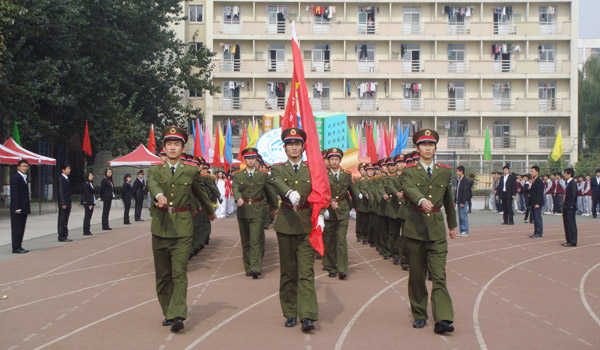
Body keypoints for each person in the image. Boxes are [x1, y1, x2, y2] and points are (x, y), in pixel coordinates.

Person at [147, 126, 216, 333]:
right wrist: (159, 196)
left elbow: (201, 192)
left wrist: (210, 211)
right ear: (164, 147)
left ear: (182, 147)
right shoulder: (155, 170)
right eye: (169, 144)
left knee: (179, 273)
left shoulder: (190, 171)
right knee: (163, 275)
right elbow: (152, 185)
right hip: (161, 226)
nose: (173, 148)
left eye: (176, 144)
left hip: (183, 228)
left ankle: (177, 314)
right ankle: (168, 310)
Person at [402, 128, 457, 334]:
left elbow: (448, 199)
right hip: (414, 228)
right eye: (424, 145)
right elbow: (409, 189)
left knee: (439, 275)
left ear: (435, 147)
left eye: (431, 145)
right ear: (417, 148)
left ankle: (443, 318)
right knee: (417, 275)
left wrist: (452, 224)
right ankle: (419, 313)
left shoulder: (444, 171)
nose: (427, 148)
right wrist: (421, 199)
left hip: (436, 228)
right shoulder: (409, 171)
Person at [270, 127, 322, 333]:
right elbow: (276, 182)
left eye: (297, 144)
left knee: (307, 271)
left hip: (307, 224)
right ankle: (291, 312)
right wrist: (289, 192)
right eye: (290, 144)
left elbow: (321, 189)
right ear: (284, 148)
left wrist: (323, 211)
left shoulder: (312, 169)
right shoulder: (278, 169)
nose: (294, 147)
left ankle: (308, 315)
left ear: (303, 147)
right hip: (286, 223)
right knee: (288, 271)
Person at [233, 147, 279, 278]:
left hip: (258, 210)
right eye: (248, 158)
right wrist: (238, 198)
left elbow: (270, 192)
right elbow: (235, 188)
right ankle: (248, 266)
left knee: (255, 240)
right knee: (245, 240)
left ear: (256, 159)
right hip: (243, 210)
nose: (250, 161)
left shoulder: (262, 175)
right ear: (245, 160)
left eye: (253, 158)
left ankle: (255, 267)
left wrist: (274, 207)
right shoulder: (238, 175)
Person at [323, 148, 357, 280]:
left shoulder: (346, 174)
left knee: (341, 240)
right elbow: (322, 192)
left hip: (342, 210)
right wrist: (328, 202)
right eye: (331, 159)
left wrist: (355, 207)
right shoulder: (324, 175)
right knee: (329, 239)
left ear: (340, 160)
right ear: (328, 161)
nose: (334, 162)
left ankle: (342, 269)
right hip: (328, 211)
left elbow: (352, 192)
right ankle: (331, 266)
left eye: (336, 159)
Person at [10, 160, 31, 253]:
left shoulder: (24, 177)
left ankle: (19, 245)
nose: (25, 168)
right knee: (17, 228)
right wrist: (17, 207)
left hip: (24, 207)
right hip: (18, 208)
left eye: (26, 166)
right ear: (18, 167)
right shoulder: (16, 178)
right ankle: (16, 247)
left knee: (21, 228)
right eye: (23, 166)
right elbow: (15, 194)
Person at [562, 168, 578, 247]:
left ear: (569, 174)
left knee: (571, 224)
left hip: (570, 207)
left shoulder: (572, 183)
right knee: (566, 223)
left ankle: (572, 241)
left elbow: (574, 195)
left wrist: (570, 205)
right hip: (566, 206)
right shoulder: (568, 183)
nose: (564, 175)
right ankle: (568, 239)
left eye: (565, 173)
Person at [57, 163, 73, 242]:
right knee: (62, 219)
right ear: (63, 170)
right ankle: (61, 235)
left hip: (68, 202)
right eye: (68, 169)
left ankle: (65, 234)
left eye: (69, 169)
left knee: (65, 219)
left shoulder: (66, 178)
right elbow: (60, 191)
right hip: (64, 203)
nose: (69, 170)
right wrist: (62, 203)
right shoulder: (61, 179)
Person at [455, 165, 471, 237]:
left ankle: (465, 230)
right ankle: (461, 230)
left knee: (464, 216)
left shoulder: (465, 180)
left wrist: (463, 202)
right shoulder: (458, 180)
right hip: (458, 201)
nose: (456, 172)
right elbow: (457, 191)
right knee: (460, 217)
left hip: (463, 201)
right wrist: (455, 201)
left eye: (457, 171)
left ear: (461, 171)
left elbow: (465, 192)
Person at [529, 166, 544, 239]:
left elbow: (539, 193)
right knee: (535, 218)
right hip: (533, 202)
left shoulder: (539, 181)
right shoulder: (534, 180)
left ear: (537, 172)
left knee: (538, 218)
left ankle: (539, 233)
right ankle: (536, 232)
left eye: (532, 171)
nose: (531, 173)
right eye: (531, 171)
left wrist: (538, 203)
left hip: (537, 203)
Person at [81, 171, 96, 236]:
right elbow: (87, 194)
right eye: (90, 175)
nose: (92, 177)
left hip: (91, 201)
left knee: (89, 216)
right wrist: (89, 203)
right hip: (87, 202)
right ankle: (86, 230)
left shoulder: (90, 183)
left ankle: (88, 229)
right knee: (87, 216)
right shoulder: (86, 184)